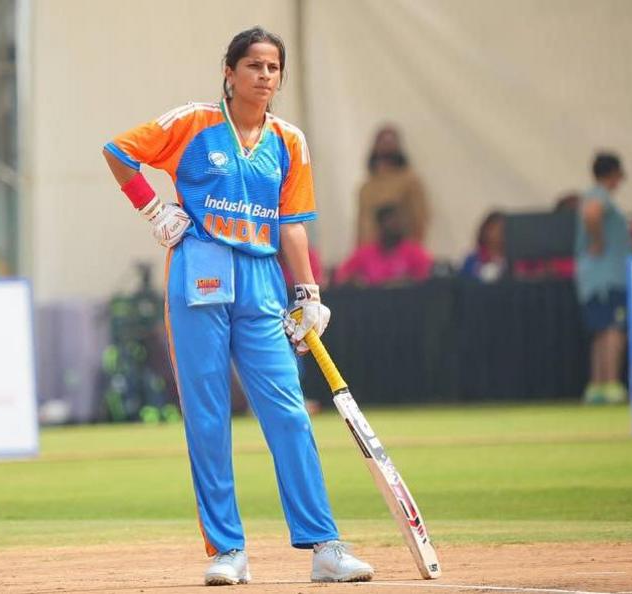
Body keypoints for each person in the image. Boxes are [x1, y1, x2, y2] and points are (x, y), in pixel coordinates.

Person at [102, 26, 373, 586]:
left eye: (273, 67)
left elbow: (294, 225)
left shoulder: (289, 141)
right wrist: (153, 210)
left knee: (289, 413)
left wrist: (309, 292)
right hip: (199, 269)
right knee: (207, 417)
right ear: (229, 72)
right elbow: (118, 152)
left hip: (262, 281)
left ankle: (324, 545)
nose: (264, 76)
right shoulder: (193, 123)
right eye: (253, 65)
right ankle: (227, 550)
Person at [575, 152, 632, 405]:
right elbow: (592, 214)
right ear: (614, 174)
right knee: (613, 330)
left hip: (593, 279)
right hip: (608, 277)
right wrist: (598, 240)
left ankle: (597, 385)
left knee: (601, 331)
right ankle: (610, 383)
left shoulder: (593, 195)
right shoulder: (599, 196)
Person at [355, 125, 429, 247]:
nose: (385, 147)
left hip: (400, 254)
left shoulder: (410, 182)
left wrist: (412, 251)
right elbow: (360, 226)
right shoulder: (366, 187)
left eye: (390, 142)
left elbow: (419, 220)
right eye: (382, 142)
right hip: (369, 256)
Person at [335, 205, 432, 286]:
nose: (396, 226)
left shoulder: (415, 252)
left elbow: (427, 279)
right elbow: (341, 276)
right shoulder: (365, 253)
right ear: (380, 225)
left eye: (398, 222)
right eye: (391, 222)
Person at [461, 210, 506, 282]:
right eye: (492, 229)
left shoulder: (512, 260)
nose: (497, 233)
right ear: (484, 230)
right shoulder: (472, 259)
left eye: (501, 230)